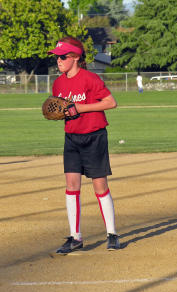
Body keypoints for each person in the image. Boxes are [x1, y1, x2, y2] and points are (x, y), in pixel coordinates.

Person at [48, 36, 120, 254]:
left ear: (75, 58)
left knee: (100, 186)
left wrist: (79, 108)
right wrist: (59, 113)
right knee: (72, 186)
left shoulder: (90, 79)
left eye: (62, 56)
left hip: (94, 136)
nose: (58, 60)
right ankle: (75, 237)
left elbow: (111, 102)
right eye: (56, 57)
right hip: (71, 137)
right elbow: (62, 109)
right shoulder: (58, 83)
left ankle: (112, 234)